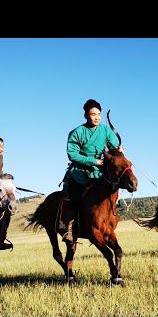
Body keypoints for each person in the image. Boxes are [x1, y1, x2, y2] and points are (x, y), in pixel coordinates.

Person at [61, 99, 124, 243]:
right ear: (86, 115)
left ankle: (109, 220)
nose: (96, 117)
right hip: (80, 170)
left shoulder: (105, 130)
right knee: (75, 195)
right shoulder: (77, 132)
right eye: (93, 114)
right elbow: (72, 154)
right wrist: (93, 161)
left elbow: (113, 147)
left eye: (99, 114)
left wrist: (118, 149)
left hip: (100, 170)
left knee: (112, 188)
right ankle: (69, 228)